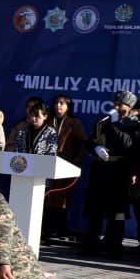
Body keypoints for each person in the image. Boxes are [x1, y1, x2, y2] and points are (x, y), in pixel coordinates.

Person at [82, 90, 138, 259]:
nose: (116, 107)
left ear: (129, 106)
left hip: (120, 172)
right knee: (95, 210)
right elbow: (90, 141)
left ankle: (114, 245)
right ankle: (91, 244)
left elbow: (126, 143)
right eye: (115, 104)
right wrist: (96, 148)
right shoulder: (106, 122)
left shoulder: (135, 125)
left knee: (118, 212)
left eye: (120, 105)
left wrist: (114, 125)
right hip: (100, 171)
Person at [45, 94, 88, 242]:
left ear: (68, 107)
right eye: (56, 103)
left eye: (62, 103)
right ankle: (47, 228)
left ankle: (60, 228)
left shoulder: (73, 123)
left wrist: (76, 161)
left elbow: (84, 144)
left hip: (66, 164)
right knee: (47, 195)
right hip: (47, 163)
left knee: (62, 197)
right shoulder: (48, 120)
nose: (58, 106)